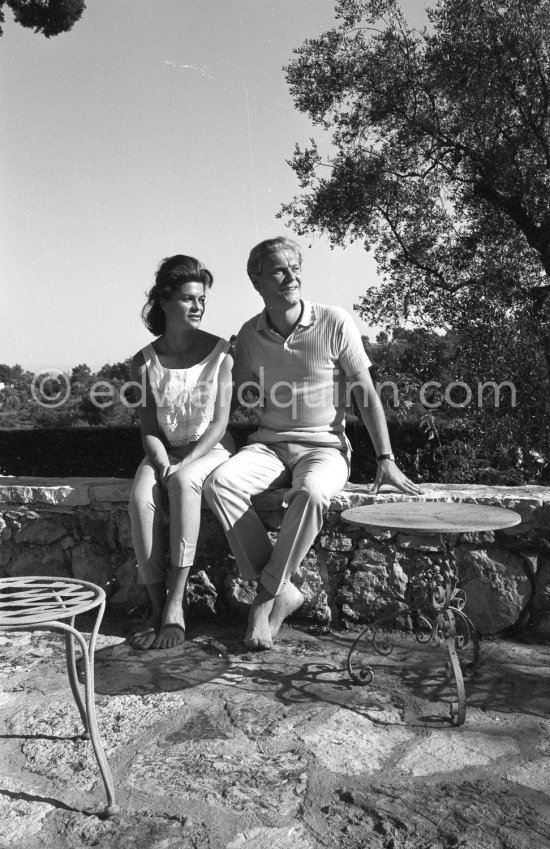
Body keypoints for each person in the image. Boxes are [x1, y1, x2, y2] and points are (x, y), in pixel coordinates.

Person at [203, 236, 421, 651]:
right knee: (219, 484)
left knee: (312, 492)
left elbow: (365, 392)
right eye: (279, 270)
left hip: (326, 448)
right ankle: (280, 589)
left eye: (295, 267)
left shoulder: (335, 321)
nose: (291, 276)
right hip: (269, 445)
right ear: (257, 281)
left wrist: (386, 458)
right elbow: (228, 394)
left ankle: (264, 600)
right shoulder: (248, 335)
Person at [128, 255, 234, 650]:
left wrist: (184, 463)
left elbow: (220, 424)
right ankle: (155, 607)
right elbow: (150, 430)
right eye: (189, 298)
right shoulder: (143, 362)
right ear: (165, 301)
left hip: (210, 449)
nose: (198, 306)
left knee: (185, 483)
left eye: (202, 299)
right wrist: (161, 463)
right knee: (140, 498)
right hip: (163, 451)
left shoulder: (222, 352)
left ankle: (176, 602)